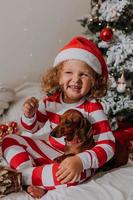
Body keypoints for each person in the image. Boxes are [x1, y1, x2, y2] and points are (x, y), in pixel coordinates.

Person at [2, 36, 115, 198]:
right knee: (9, 139)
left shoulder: (93, 108)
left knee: (74, 175)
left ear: (94, 81)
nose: (76, 79)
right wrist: (29, 114)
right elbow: (31, 128)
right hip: (52, 151)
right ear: (58, 76)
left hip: (76, 157)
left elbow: (108, 145)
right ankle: (33, 175)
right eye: (69, 72)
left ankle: (23, 178)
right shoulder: (51, 101)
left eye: (84, 75)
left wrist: (81, 161)